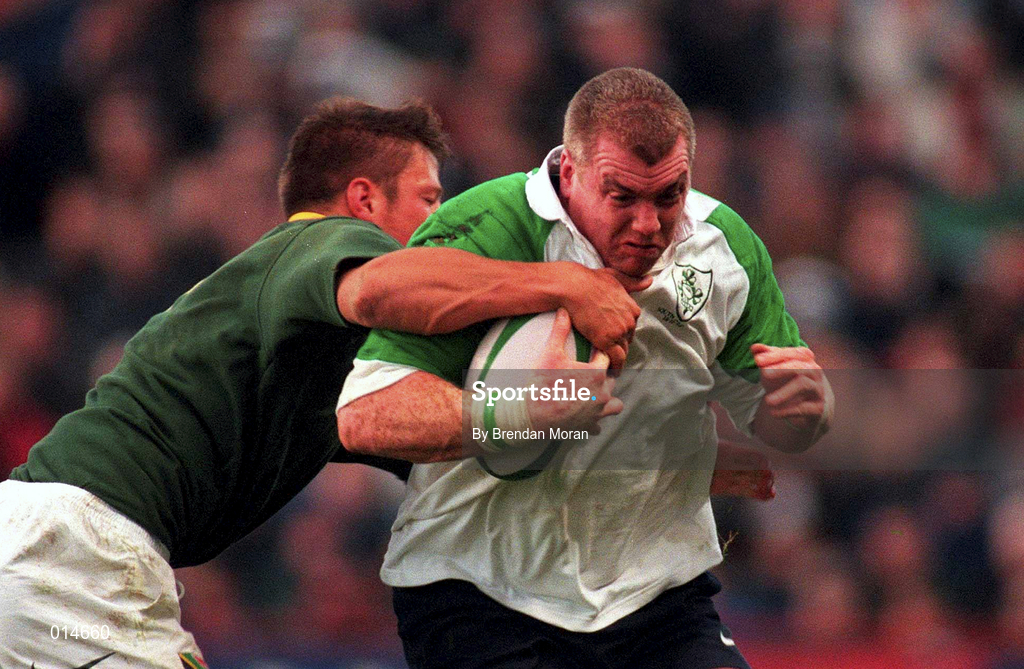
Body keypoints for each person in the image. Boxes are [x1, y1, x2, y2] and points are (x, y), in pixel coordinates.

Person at [0, 96, 653, 669]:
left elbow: (408, 428)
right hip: (76, 552)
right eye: (429, 199)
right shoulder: (314, 243)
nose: (443, 222)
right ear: (364, 199)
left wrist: (559, 414)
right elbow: (380, 290)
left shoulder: (316, 349)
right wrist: (563, 283)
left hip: (54, 551)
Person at [336, 68, 833, 669]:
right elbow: (366, 416)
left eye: (669, 195)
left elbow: (778, 419)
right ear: (568, 173)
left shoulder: (724, 248)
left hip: (658, 596)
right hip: (478, 590)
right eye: (621, 196)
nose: (648, 224)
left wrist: (800, 413)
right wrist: (519, 416)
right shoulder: (483, 229)